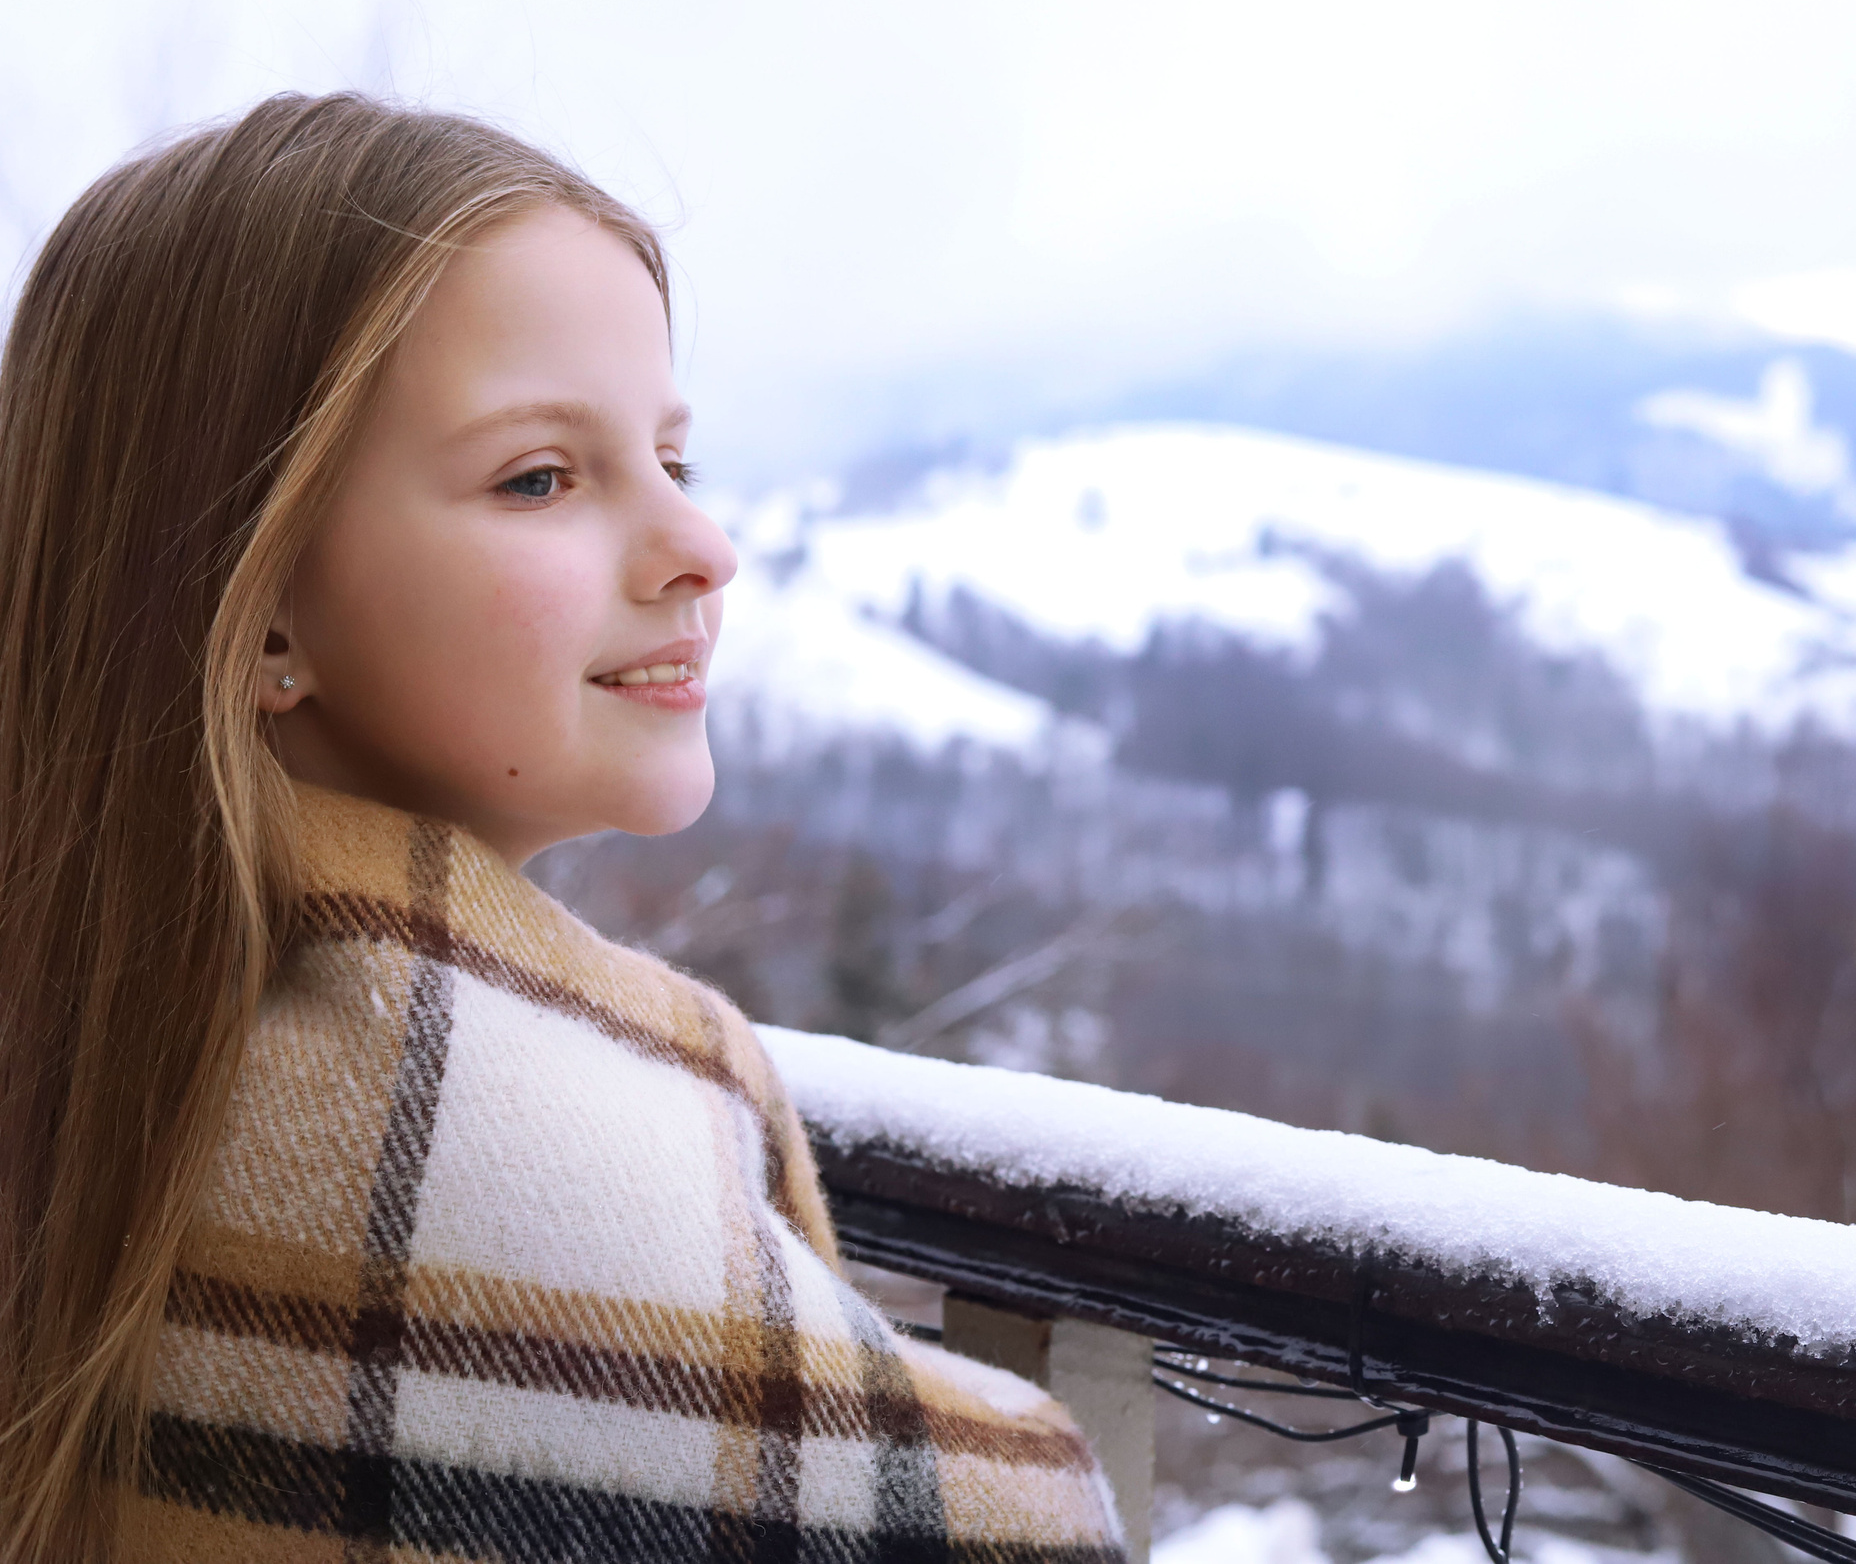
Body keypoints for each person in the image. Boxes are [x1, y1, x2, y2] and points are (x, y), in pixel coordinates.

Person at [0, 93, 1128, 1564]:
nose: (700, 548)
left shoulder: (105, 1027)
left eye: (674, 459)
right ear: (260, 605)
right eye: (541, 476)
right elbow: (1028, 1530)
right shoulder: (477, 1143)